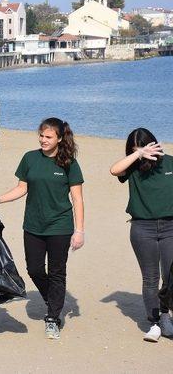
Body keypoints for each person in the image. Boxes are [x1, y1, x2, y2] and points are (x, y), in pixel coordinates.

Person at [0, 117, 84, 340]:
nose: (43, 140)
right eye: (41, 135)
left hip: (60, 226)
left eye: (48, 137)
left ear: (59, 138)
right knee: (34, 269)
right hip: (33, 225)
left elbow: (77, 199)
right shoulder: (30, 158)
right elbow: (21, 188)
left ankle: (53, 317)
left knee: (57, 272)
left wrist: (79, 231)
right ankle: (53, 298)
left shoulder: (69, 163)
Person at [109, 128, 173, 342]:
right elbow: (114, 170)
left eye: (145, 148)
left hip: (170, 227)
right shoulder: (134, 167)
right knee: (150, 278)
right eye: (136, 150)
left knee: (170, 277)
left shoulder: (170, 163)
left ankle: (166, 315)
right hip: (142, 229)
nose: (143, 153)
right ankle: (155, 322)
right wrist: (137, 155)